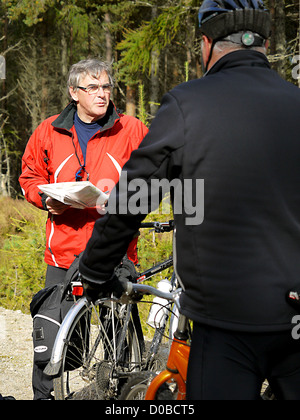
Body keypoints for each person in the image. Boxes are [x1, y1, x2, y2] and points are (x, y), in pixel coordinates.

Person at [79, 1, 300, 400]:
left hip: (224, 319)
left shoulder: (187, 104)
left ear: (206, 43)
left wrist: (95, 271)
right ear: (265, 44)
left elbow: (134, 196)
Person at [19, 58, 148, 400]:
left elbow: (152, 178)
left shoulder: (132, 129)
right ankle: (45, 397)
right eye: (93, 88)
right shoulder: (48, 130)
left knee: (119, 341)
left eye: (106, 87)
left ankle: (118, 398)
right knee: (51, 337)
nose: (102, 94)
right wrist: (46, 200)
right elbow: (29, 177)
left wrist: (122, 202)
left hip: (115, 250)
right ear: (74, 93)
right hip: (63, 252)